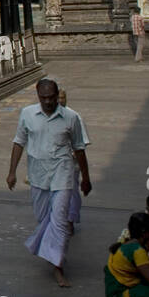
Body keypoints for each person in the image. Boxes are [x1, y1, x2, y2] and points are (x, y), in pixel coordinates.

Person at [7, 78, 91, 287]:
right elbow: (19, 142)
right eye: (43, 98)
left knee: (60, 221)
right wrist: (12, 172)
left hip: (63, 173)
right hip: (38, 175)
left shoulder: (71, 117)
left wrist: (86, 178)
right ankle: (51, 250)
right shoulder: (27, 114)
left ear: (57, 96)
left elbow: (79, 148)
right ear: (38, 97)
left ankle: (58, 266)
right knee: (44, 218)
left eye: (51, 97)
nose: (48, 102)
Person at [56, 87, 91, 230]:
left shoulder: (74, 117)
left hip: (70, 163)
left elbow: (81, 147)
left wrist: (86, 177)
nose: (59, 101)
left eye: (62, 97)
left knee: (70, 192)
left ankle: (70, 219)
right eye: (57, 97)